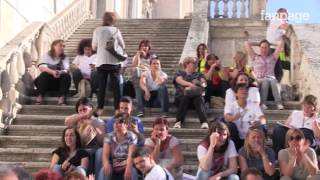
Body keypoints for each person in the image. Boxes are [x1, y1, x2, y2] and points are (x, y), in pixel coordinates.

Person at [92, 12, 125, 114]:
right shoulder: (116, 30)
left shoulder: (97, 30)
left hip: (101, 62)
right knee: (116, 86)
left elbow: (93, 47)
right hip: (114, 62)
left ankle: (100, 108)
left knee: (102, 86)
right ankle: (117, 109)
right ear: (113, 20)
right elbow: (123, 46)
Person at [65, 97, 105, 175]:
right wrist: (82, 116)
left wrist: (94, 126)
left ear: (91, 109)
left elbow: (102, 142)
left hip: (94, 149)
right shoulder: (76, 120)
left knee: (100, 151)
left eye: (85, 109)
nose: (82, 112)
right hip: (79, 148)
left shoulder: (98, 122)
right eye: (80, 110)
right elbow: (67, 122)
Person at [244, 39, 284, 110]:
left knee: (271, 80)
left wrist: (269, 43)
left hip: (270, 80)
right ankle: (263, 103)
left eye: (266, 47)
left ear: (269, 48)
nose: (264, 49)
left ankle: (278, 103)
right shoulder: (255, 57)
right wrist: (259, 43)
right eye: (262, 47)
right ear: (260, 48)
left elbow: (280, 43)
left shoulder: (273, 57)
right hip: (258, 79)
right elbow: (246, 43)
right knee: (266, 81)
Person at [224, 83, 267, 150]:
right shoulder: (231, 105)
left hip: (251, 137)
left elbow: (263, 118)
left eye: (246, 90)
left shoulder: (253, 105)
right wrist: (233, 118)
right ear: (236, 94)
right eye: (241, 89)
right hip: (237, 138)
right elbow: (226, 117)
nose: (244, 91)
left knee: (262, 126)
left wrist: (259, 122)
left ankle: (260, 150)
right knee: (230, 126)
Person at [98, 113, 138, 180]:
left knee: (132, 172)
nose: (116, 124)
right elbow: (105, 154)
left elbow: (131, 155)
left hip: (126, 164)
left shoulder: (132, 136)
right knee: (104, 170)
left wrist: (128, 168)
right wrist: (106, 163)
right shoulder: (109, 136)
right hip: (114, 164)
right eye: (115, 122)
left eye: (120, 122)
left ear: (126, 125)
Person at [173, 56, 208, 129]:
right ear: (187, 64)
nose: (196, 65)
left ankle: (204, 122)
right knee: (185, 97)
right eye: (194, 63)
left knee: (199, 98)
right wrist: (190, 84)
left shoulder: (199, 74)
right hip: (181, 99)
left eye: (196, 63)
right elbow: (179, 80)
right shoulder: (180, 73)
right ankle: (178, 121)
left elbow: (204, 84)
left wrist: (199, 82)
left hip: (195, 101)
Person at [34, 39, 71, 105]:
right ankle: (40, 97)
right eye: (60, 46)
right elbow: (42, 67)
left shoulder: (65, 58)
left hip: (59, 84)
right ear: (54, 46)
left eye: (63, 46)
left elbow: (67, 70)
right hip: (46, 83)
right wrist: (53, 72)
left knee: (66, 76)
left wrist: (59, 72)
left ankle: (61, 98)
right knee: (44, 74)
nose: (62, 48)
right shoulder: (46, 55)